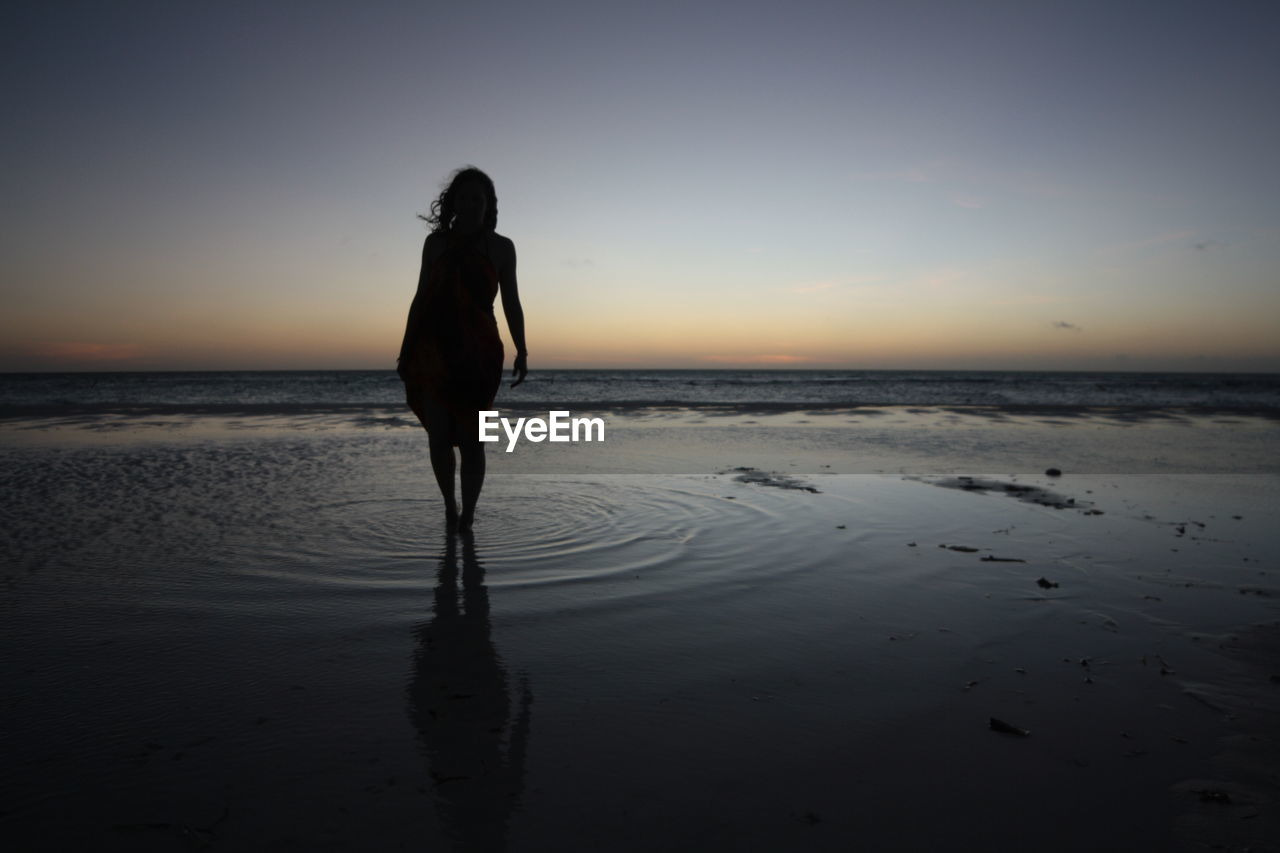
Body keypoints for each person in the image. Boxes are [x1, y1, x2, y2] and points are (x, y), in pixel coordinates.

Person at [398, 166, 528, 532]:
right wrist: (405, 348)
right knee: (439, 436)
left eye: (478, 199)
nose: (471, 204)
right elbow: (420, 297)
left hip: (480, 355)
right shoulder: (435, 244)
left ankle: (468, 516)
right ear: (453, 201)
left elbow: (512, 304)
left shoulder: (502, 248)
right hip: (434, 349)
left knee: (474, 440)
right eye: (464, 197)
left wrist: (523, 349)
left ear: (489, 206)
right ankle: (449, 505)